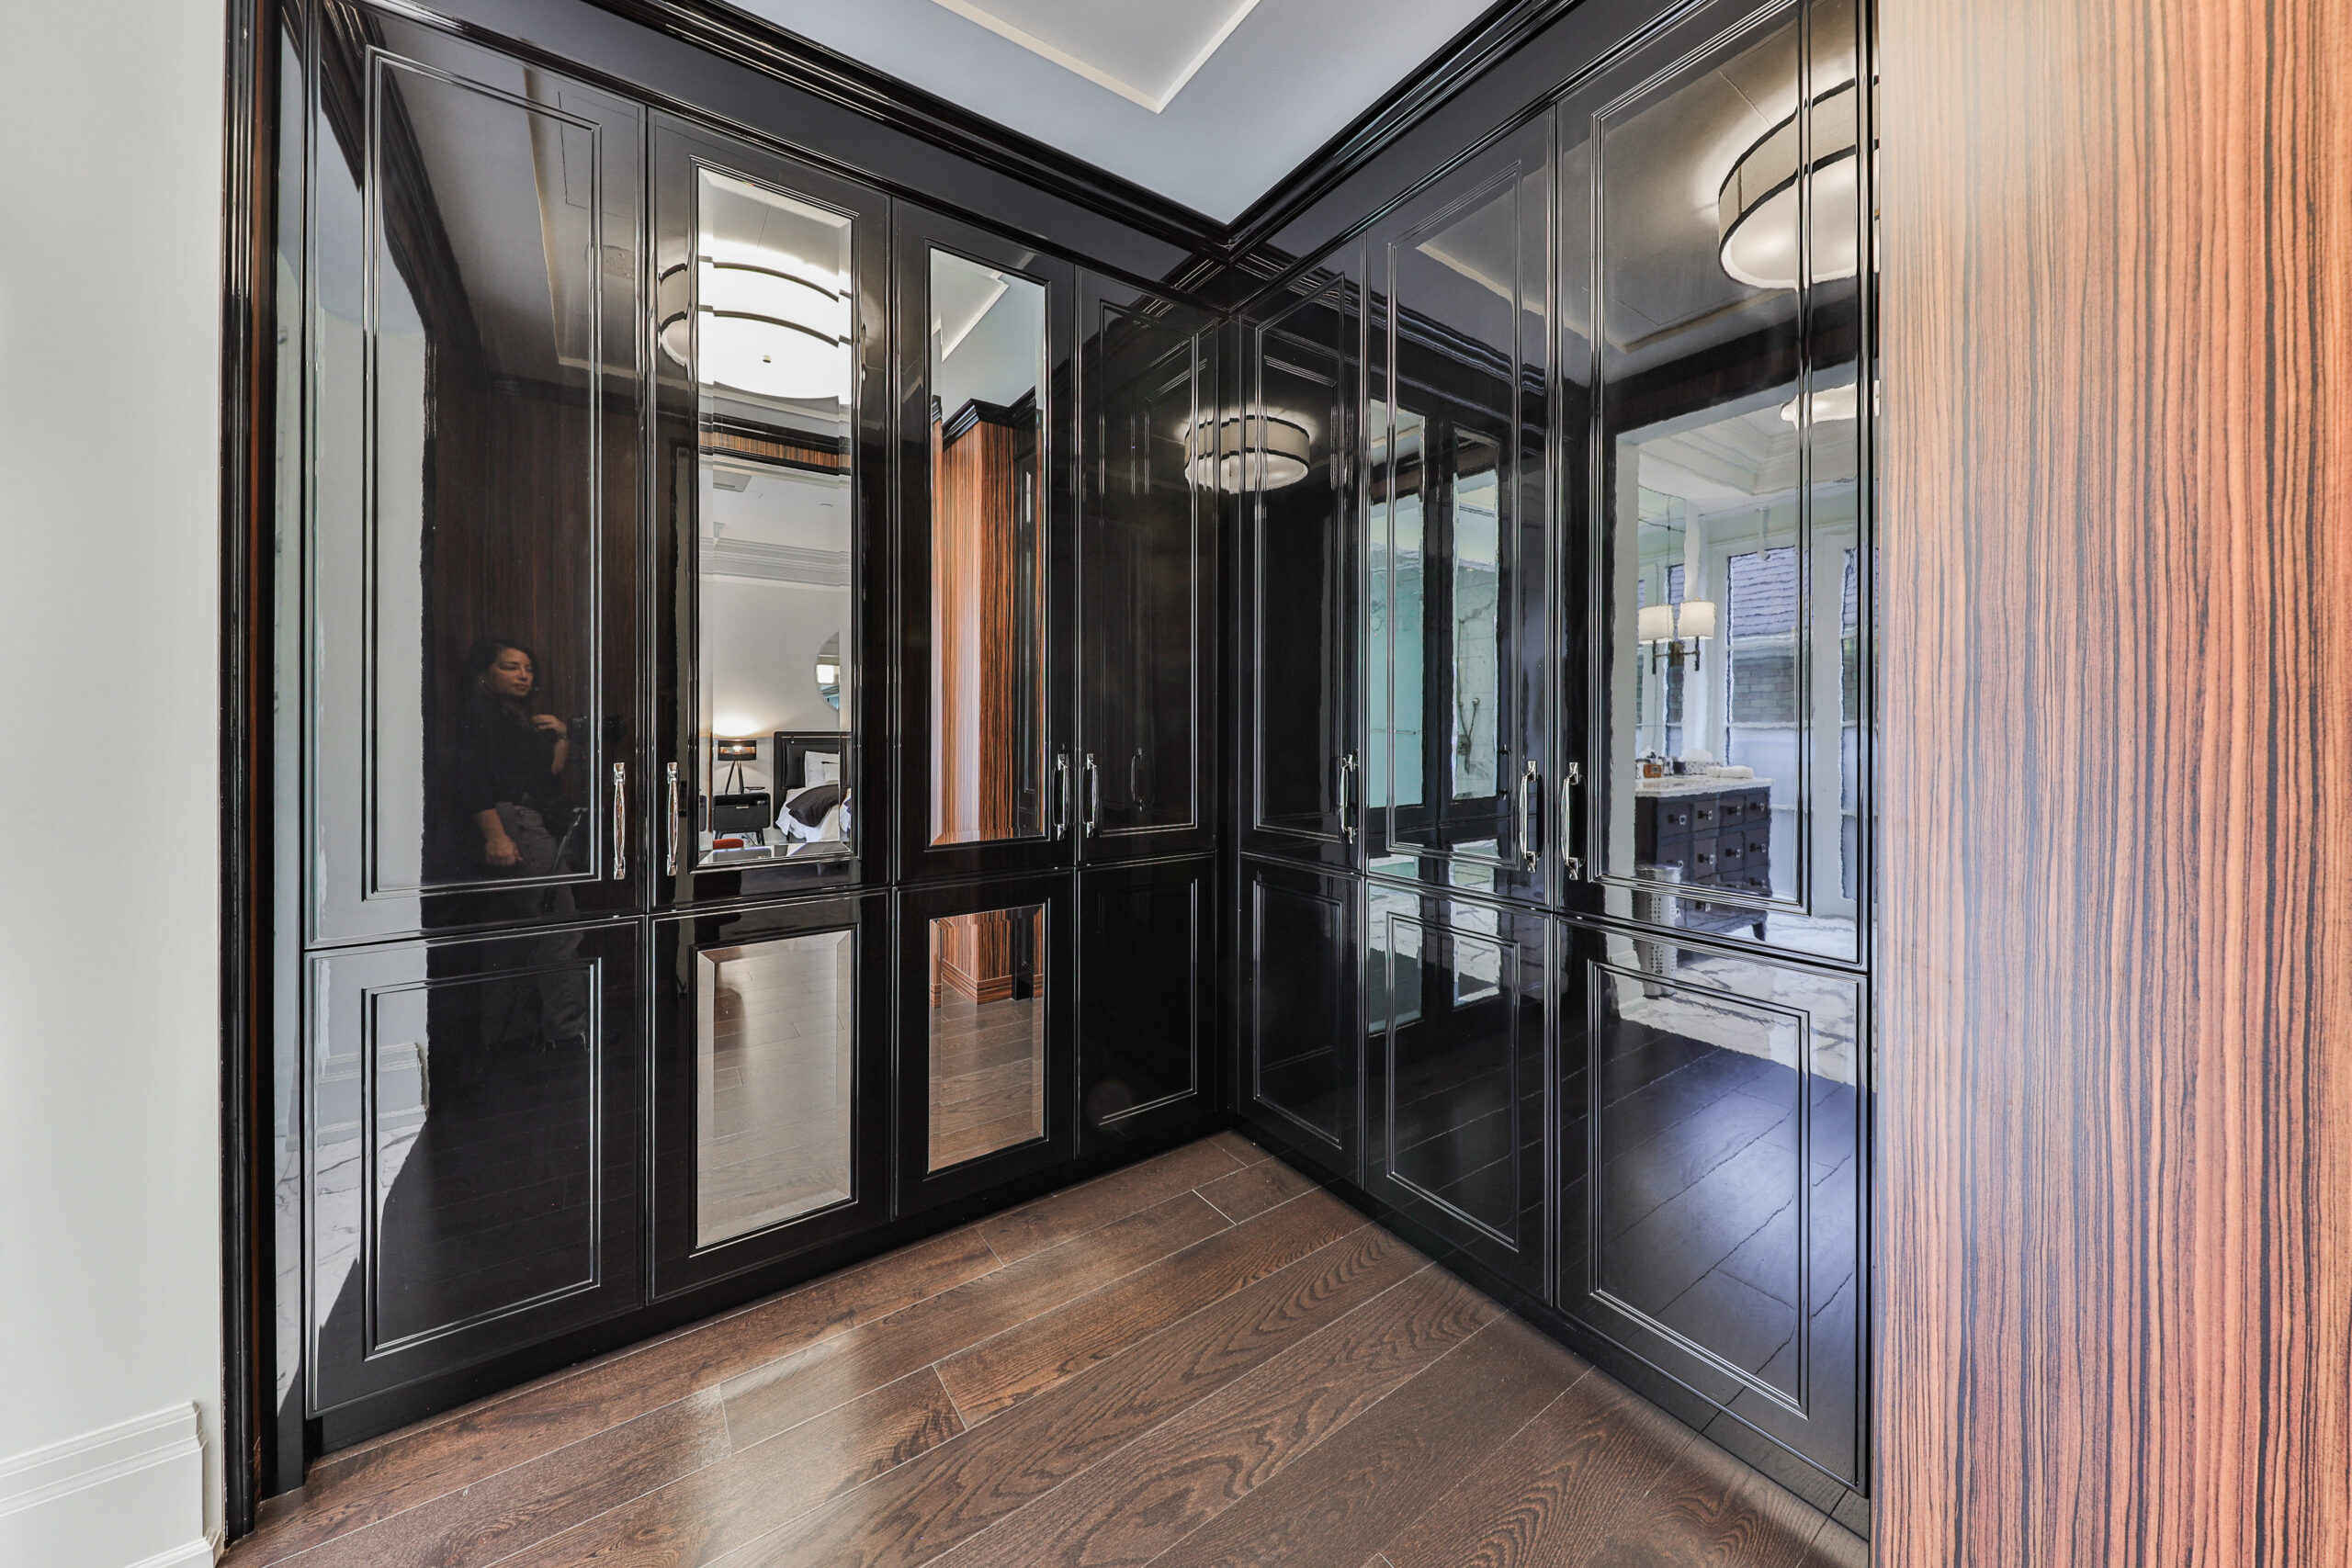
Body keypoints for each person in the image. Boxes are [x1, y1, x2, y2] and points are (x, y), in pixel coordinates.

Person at [451, 636, 588, 1044]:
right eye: (510, 667)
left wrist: (563, 737)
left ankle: (505, 1033)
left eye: (528, 669)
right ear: (484, 673)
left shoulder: (514, 719)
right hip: (516, 821)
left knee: (519, 931)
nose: (523, 675)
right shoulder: (478, 714)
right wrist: (495, 835)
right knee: (558, 926)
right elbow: (472, 780)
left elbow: (542, 776)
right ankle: (569, 1033)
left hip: (527, 817)